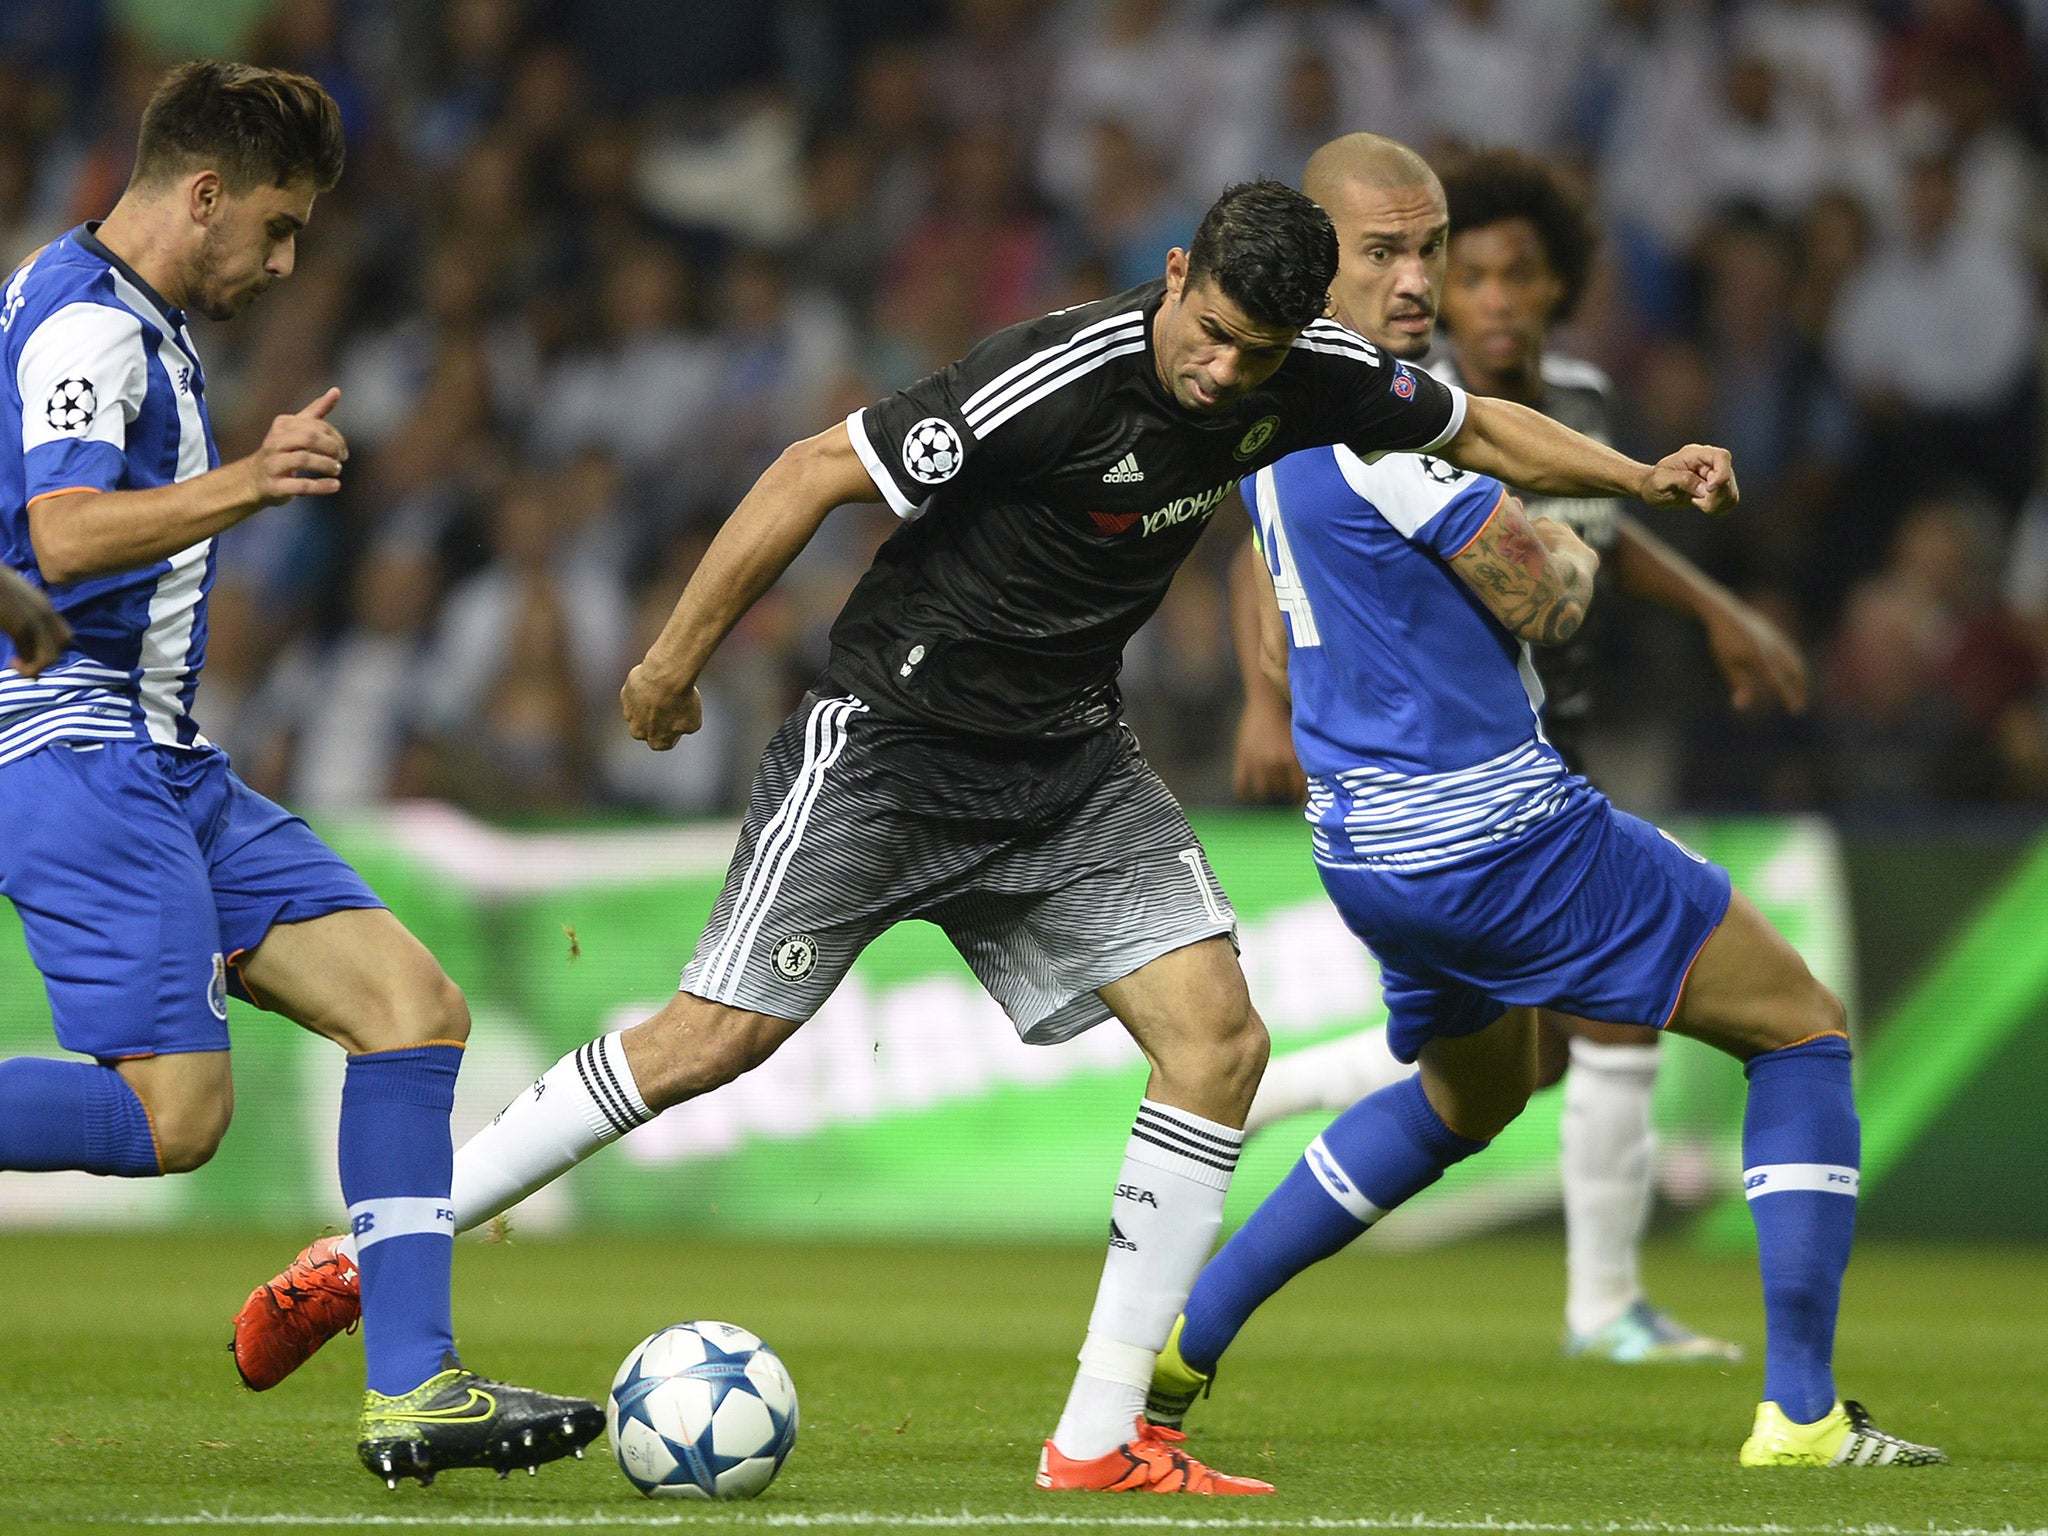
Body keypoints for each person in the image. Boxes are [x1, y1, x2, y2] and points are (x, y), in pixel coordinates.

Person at [235, 173, 1739, 1495]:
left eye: (1253, 356)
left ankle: (1098, 1438)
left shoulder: (1318, 375)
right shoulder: (1051, 378)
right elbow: (815, 472)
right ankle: (367, 1259)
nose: (1221, 377)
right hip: (891, 748)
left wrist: (1644, 472)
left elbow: (1488, 433)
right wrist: (670, 659)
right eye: (1206, 333)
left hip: (1068, 766)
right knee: (708, 1044)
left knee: (1219, 1043)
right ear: (1173, 278)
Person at [1143, 134, 1942, 1473]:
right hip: (1498, 834)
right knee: (1802, 1033)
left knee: (1471, 1096)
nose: (1418, 281)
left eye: (1432, 249)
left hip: (1366, 854)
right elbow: (1550, 593)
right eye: (1382, 252)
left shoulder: (1273, 410)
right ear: (1319, 258)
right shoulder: (1387, 420)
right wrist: (1560, 529)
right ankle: (1801, 1413)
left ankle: (1186, 1340)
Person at [0, 60, 600, 1487]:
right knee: (175, 1120)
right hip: (74, 745)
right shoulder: (90, 325)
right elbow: (67, 533)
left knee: (410, 1009)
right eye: (274, 227)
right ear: (201, 194)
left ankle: (416, 1391)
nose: (283, 261)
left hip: (167, 758)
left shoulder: (96, 307)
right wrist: (250, 482)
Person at [1232, 147, 1809, 1363]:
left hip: (1539, 734)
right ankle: (1623, 1315)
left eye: (1500, 272)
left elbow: (1603, 524)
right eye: (1449, 265)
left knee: (1509, 1074)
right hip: (1472, 773)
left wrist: (1719, 610)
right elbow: (1533, 576)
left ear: (1555, 290)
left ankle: (1276, 1182)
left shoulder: (1582, 404)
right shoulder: (1389, 398)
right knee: (1712, 1026)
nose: (1474, 295)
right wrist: (1261, 695)